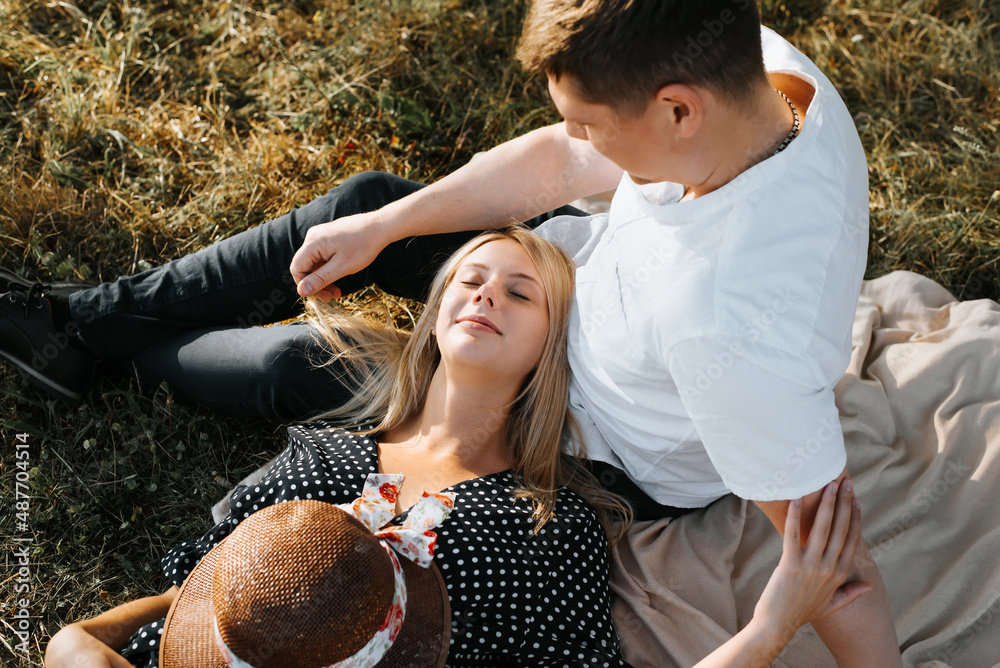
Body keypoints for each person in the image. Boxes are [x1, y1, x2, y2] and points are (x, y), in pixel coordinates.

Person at [2, 1, 901, 663]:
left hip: (579, 428)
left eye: (592, 122)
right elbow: (557, 165)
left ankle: (102, 351)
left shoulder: (729, 332)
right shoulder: (762, 72)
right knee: (362, 210)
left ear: (677, 111)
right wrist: (388, 232)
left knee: (308, 365)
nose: (575, 138)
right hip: (568, 284)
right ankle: (76, 330)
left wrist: (805, 625)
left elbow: (839, 564)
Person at [43, 229, 867, 668]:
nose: (485, 295)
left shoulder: (545, 522)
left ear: (554, 347)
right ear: (437, 310)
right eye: (471, 280)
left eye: (521, 293)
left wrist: (771, 626)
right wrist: (86, 637)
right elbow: (207, 589)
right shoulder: (323, 454)